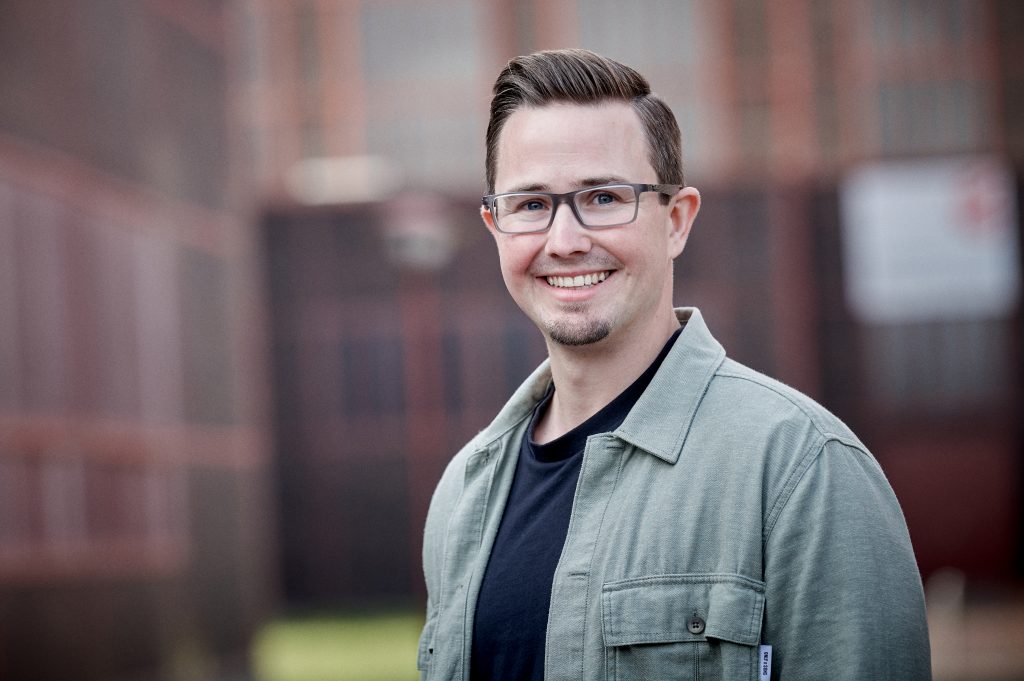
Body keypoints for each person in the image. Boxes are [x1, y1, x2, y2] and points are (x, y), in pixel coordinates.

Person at [418, 48, 931, 681]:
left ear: (677, 221)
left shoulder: (802, 469)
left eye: (603, 197)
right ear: (495, 225)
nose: (565, 240)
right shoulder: (462, 495)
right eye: (530, 205)